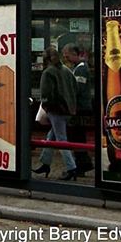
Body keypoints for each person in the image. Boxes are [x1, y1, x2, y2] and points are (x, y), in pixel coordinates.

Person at [34, 46, 78, 180]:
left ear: (46, 59)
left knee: (61, 140)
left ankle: (72, 168)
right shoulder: (67, 70)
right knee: (51, 136)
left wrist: (47, 108)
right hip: (68, 109)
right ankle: (45, 163)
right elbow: (75, 87)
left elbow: (46, 94)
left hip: (56, 110)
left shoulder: (48, 73)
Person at [63, 43, 94, 176]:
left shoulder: (80, 69)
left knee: (77, 135)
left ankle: (83, 163)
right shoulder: (79, 68)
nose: (66, 58)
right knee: (77, 135)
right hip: (80, 107)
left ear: (74, 54)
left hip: (80, 108)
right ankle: (83, 163)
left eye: (67, 55)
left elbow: (78, 89)